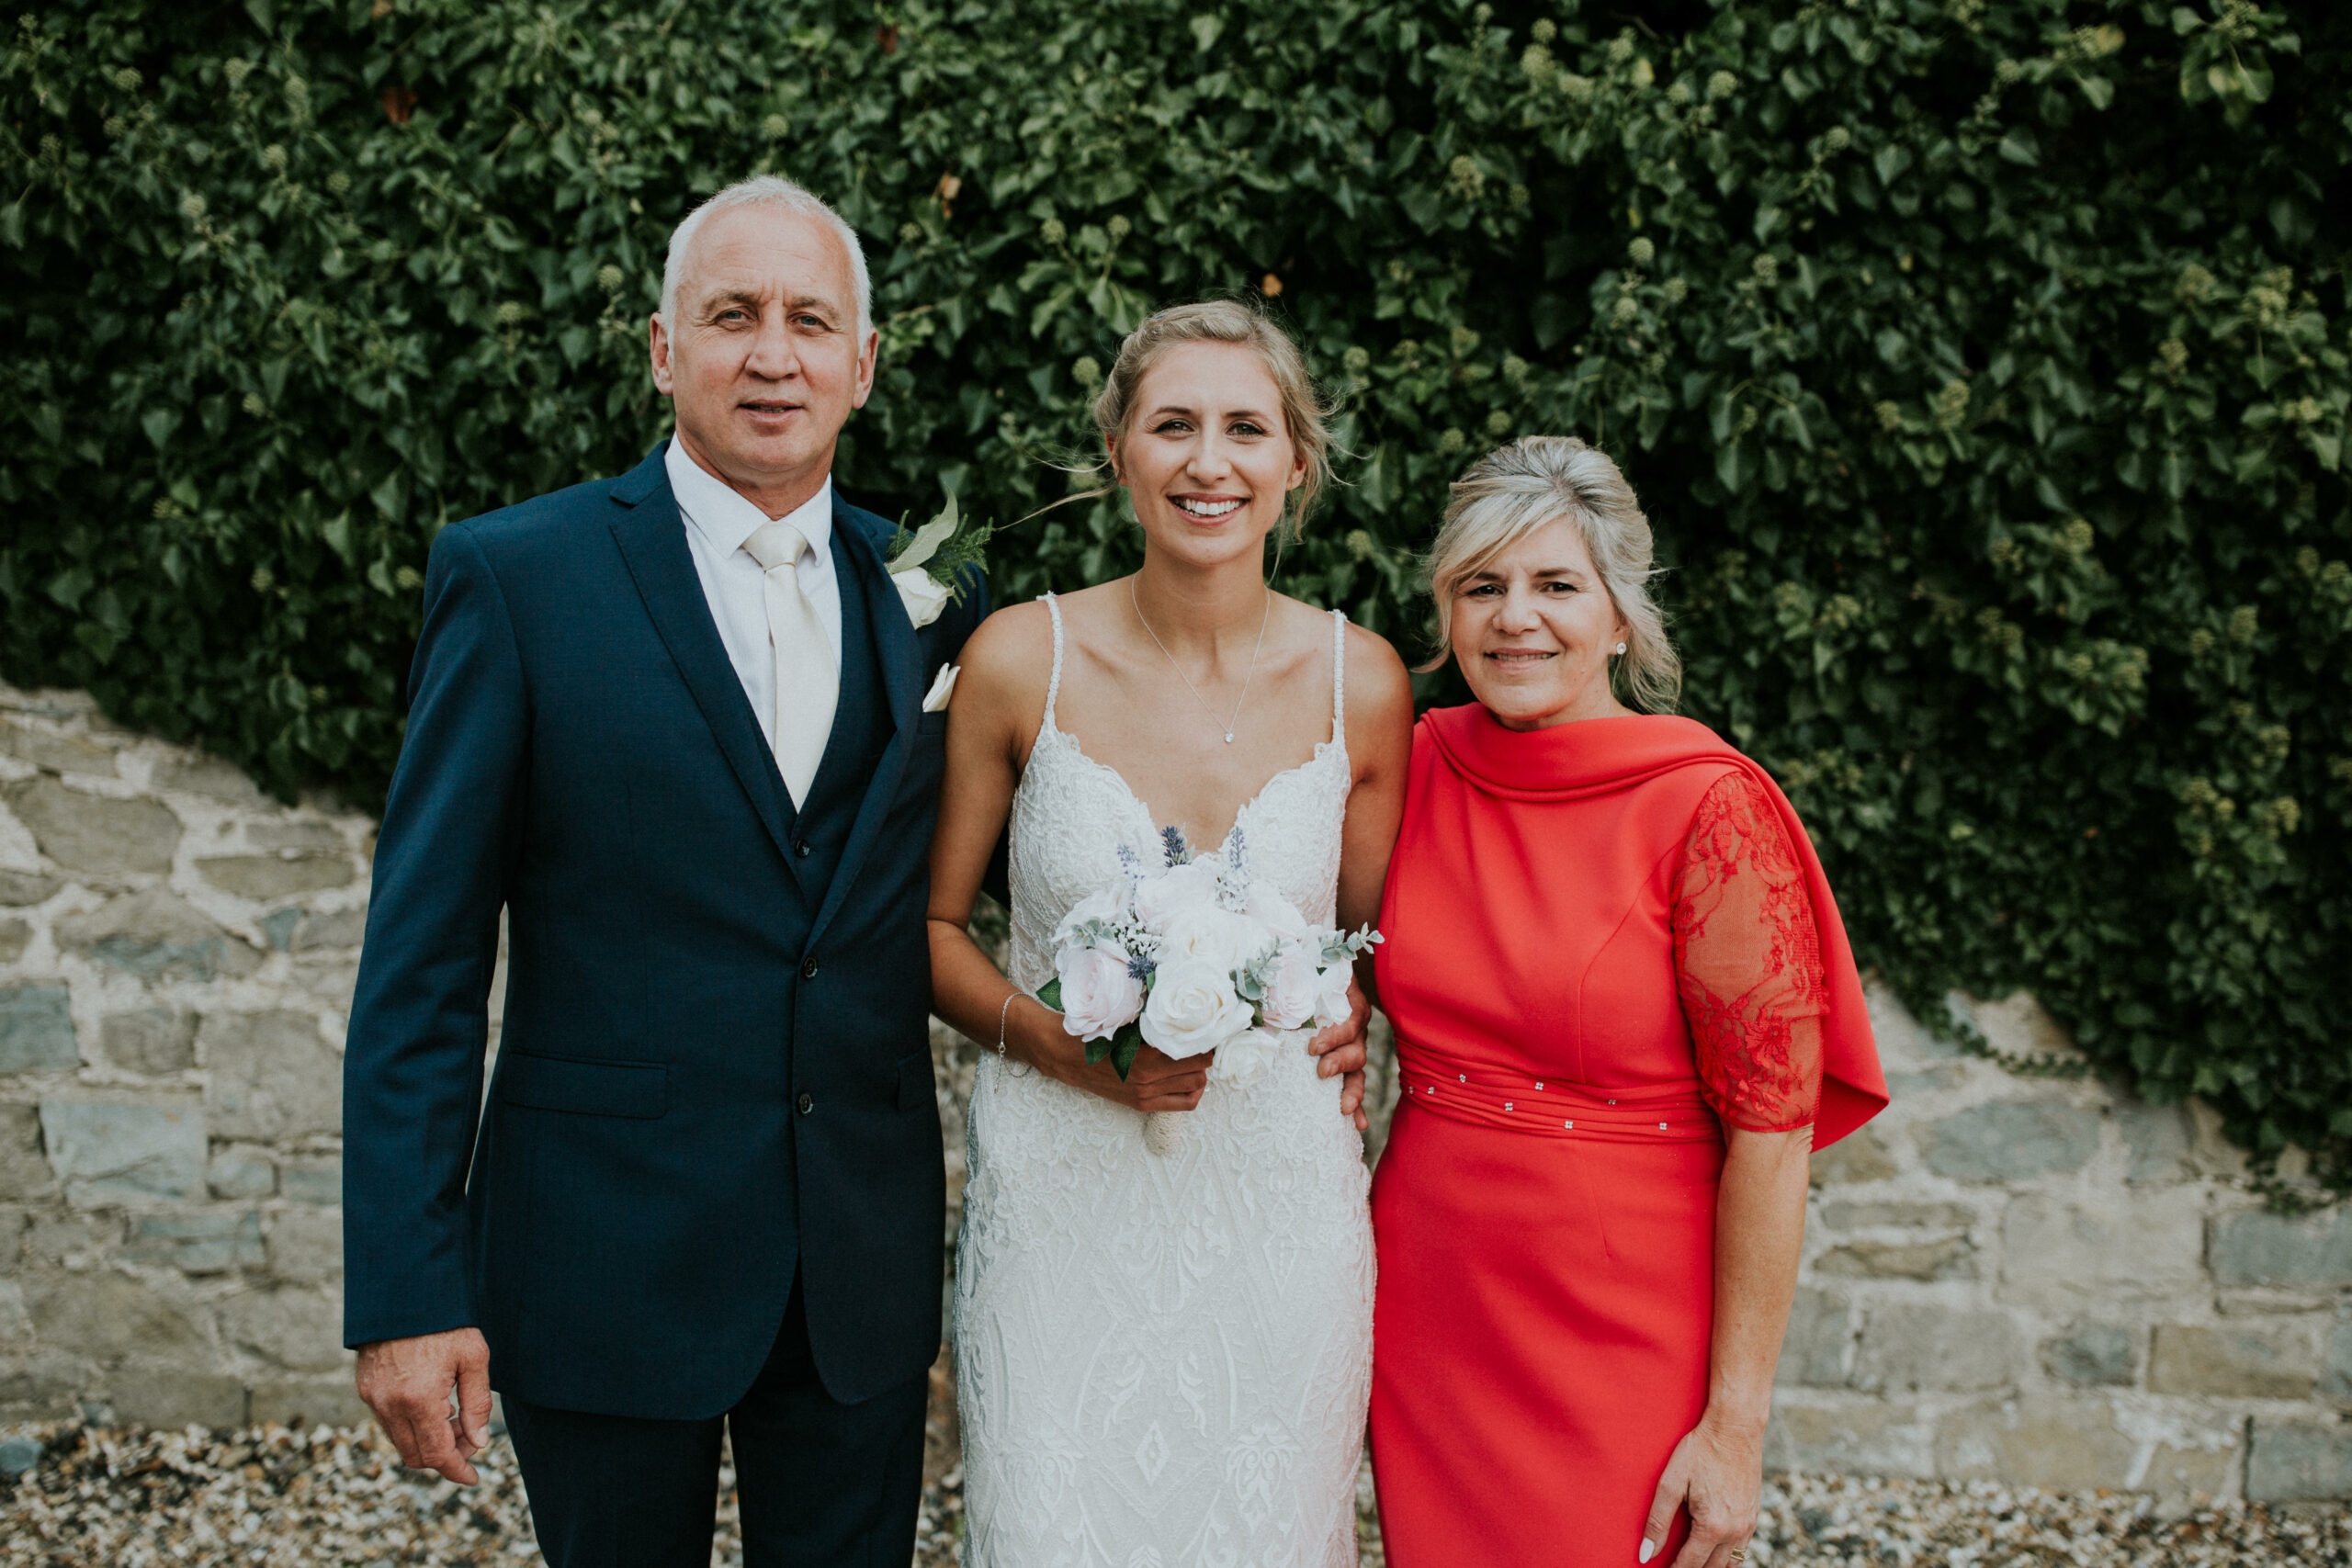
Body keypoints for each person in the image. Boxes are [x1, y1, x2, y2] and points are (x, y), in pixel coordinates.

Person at [340, 175, 1000, 1567]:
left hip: (854, 1265)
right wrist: (406, 1288)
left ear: (862, 365)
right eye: (733, 315)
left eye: (812, 320)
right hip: (602, 1251)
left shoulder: (937, 597)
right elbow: (424, 960)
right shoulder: (516, 577)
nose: (775, 353)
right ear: (662, 348)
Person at [926, 299, 1415, 1565]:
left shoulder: (1360, 682)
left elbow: (1367, 952)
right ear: (1120, 452)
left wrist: (1354, 1019)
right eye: (1174, 425)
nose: (1211, 461)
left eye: (1247, 428)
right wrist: (1064, 1046)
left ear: (1295, 462)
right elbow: (929, 928)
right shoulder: (1013, 658)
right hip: (1062, 1198)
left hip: (1277, 1211)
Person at [1365, 436, 1890, 1568]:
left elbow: (1772, 1134)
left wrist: (1735, 1426)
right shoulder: (1410, 764)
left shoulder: (1706, 808)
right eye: (1482, 588)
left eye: (1556, 585)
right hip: (1429, 1300)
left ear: (1618, 615)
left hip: (1619, 1311)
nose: (1516, 619)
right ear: (1446, 611)